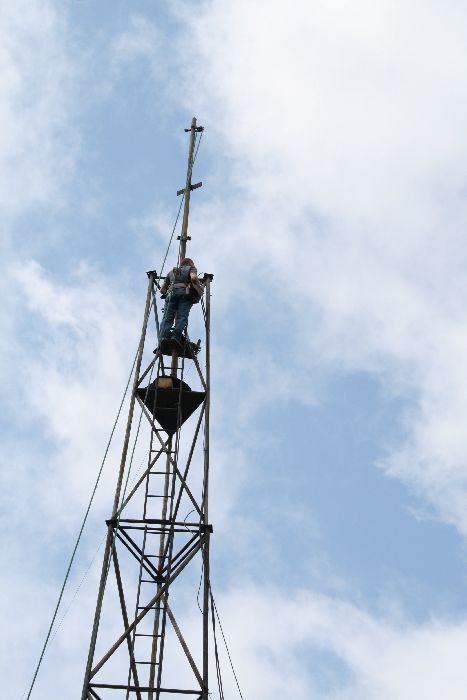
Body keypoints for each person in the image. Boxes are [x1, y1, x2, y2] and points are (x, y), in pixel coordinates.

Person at [159, 257, 203, 348]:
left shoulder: (171, 272)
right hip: (184, 294)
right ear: (190, 264)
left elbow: (162, 290)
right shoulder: (191, 268)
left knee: (167, 318)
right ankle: (175, 337)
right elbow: (193, 278)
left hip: (171, 294)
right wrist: (199, 287)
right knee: (181, 317)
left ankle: (163, 337)